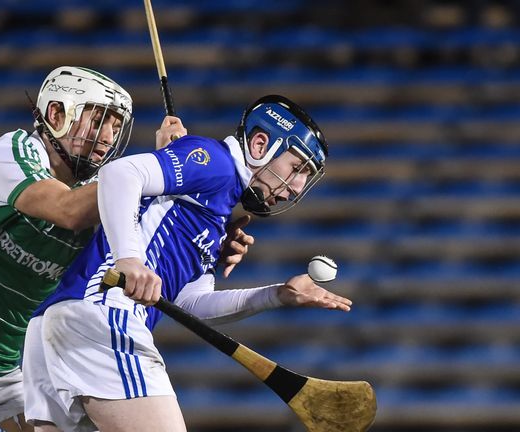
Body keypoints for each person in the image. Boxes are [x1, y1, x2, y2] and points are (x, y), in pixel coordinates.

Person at [0, 66, 253, 432]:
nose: (108, 136)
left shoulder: (102, 191)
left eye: (116, 127)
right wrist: (158, 177)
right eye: (99, 121)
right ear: (57, 114)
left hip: (14, 366)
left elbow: (149, 237)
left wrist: (203, 234)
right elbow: (68, 210)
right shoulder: (12, 152)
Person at [23, 94, 354, 432]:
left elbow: (190, 306)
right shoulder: (216, 162)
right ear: (259, 145)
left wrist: (277, 295)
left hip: (55, 324)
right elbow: (120, 173)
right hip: (103, 315)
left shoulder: (216, 213)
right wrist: (129, 260)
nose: (296, 187)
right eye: (296, 168)